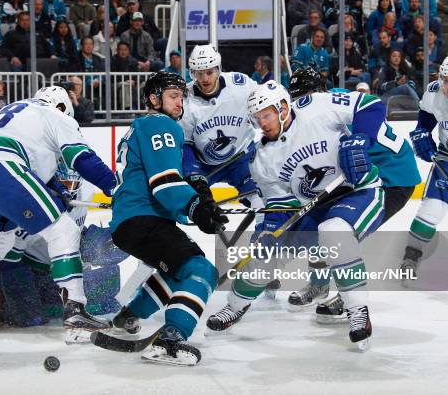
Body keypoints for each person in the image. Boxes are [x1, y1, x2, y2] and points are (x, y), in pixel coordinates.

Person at [206, 80, 388, 350]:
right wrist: (269, 231)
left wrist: (361, 138)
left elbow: (371, 106)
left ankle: (358, 312)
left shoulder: (316, 107)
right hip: (313, 206)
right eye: (257, 118)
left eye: (265, 115)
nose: (262, 123)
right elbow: (278, 201)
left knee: (334, 232)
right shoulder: (262, 158)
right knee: (266, 257)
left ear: (282, 108)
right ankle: (235, 306)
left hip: (356, 191)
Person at [0, 86, 117, 333]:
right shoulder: (58, 116)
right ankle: (76, 311)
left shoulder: (19, 111)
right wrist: (115, 187)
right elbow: (81, 158)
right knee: (64, 230)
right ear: (63, 108)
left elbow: (37, 171)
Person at [108, 72, 228, 366]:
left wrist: (196, 208)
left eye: (181, 96)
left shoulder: (142, 127)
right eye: (173, 96)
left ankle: (129, 315)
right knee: (202, 271)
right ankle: (171, 337)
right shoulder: (161, 125)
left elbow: (160, 188)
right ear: (154, 98)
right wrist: (196, 208)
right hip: (142, 219)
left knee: (176, 271)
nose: (179, 102)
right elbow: (165, 184)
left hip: (132, 221)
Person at [287, 67, 421, 324]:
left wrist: (359, 139)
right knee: (319, 222)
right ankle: (319, 284)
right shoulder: (321, 106)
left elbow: (371, 106)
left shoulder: (330, 109)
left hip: (393, 177)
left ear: (319, 91)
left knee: (340, 232)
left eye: (305, 95)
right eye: (297, 97)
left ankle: (347, 296)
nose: (301, 102)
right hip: (361, 176)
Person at [400, 54, 448, 280]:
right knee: (431, 210)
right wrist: (422, 132)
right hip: (447, 158)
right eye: (446, 80)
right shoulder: (435, 92)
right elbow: (427, 114)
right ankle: (411, 257)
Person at [179, 45, 263, 211]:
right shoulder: (185, 99)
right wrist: (192, 174)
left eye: (209, 72)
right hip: (203, 164)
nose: (205, 78)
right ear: (192, 73)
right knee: (189, 201)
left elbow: (263, 110)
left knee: (260, 196)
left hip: (241, 157)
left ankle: (264, 233)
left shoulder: (242, 86)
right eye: (199, 73)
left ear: (218, 69)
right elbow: (185, 143)